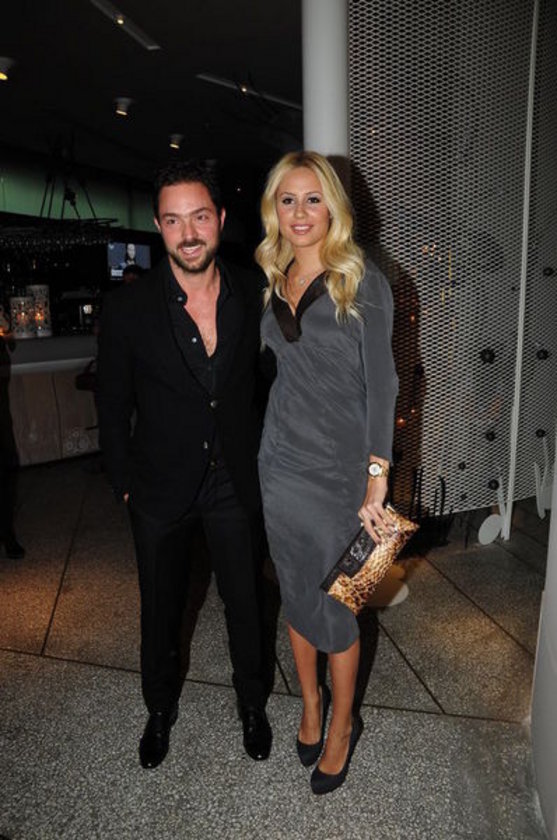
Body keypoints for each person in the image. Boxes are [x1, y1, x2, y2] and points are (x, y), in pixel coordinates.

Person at [97, 159, 272, 770]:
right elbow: (112, 405)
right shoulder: (127, 308)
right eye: (173, 221)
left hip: (234, 482)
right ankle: (159, 709)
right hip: (158, 487)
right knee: (161, 609)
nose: (188, 233)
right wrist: (124, 484)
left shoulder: (254, 291)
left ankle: (252, 703)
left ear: (220, 219)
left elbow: (271, 382)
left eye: (199, 217)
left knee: (246, 602)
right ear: (158, 226)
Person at [255, 151, 398, 794]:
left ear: (333, 205)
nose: (300, 212)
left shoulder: (361, 278)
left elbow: (384, 385)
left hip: (342, 472)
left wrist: (377, 474)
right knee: (294, 589)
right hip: (279, 462)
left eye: (313, 198)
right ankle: (310, 706)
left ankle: (342, 726)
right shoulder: (274, 275)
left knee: (339, 604)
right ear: (274, 210)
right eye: (288, 199)